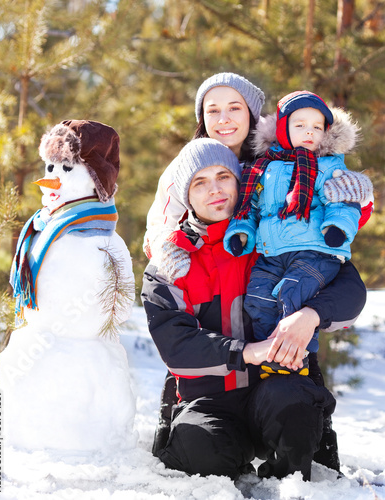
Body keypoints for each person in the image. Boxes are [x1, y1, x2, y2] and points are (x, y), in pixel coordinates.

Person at [143, 73, 373, 473]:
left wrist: (355, 198)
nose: (224, 118)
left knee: (296, 412)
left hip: (278, 376)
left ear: (255, 117)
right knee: (202, 443)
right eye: (212, 109)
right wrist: (168, 250)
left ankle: (299, 444)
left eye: (235, 107)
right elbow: (162, 233)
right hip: (216, 380)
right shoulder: (186, 170)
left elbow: (333, 250)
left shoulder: (282, 162)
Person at [223, 91, 372, 375]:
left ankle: (297, 360)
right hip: (271, 253)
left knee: (293, 296)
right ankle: (271, 355)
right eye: (300, 125)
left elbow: (341, 201)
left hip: (316, 251)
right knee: (258, 299)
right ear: (282, 129)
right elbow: (250, 206)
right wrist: (241, 232)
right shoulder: (263, 168)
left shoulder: (328, 166)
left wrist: (337, 228)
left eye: (317, 127)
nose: (309, 132)